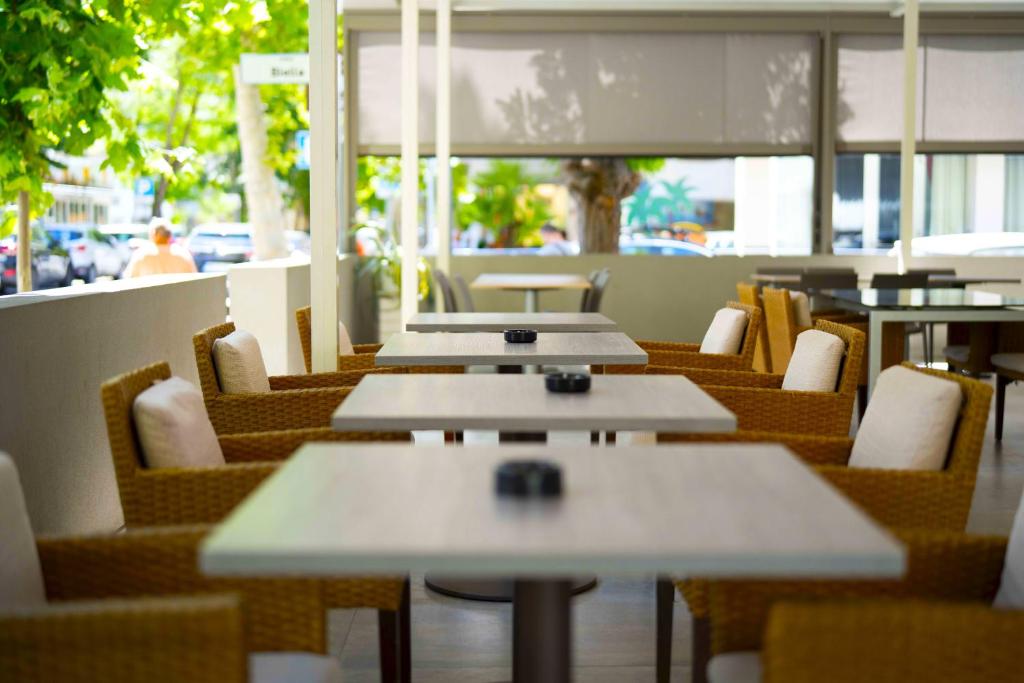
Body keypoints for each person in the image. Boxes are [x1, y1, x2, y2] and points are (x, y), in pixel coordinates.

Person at [123, 218, 197, 278]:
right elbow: (193, 280)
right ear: (170, 235)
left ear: (153, 234)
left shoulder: (141, 254)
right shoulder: (183, 254)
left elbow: (129, 279)